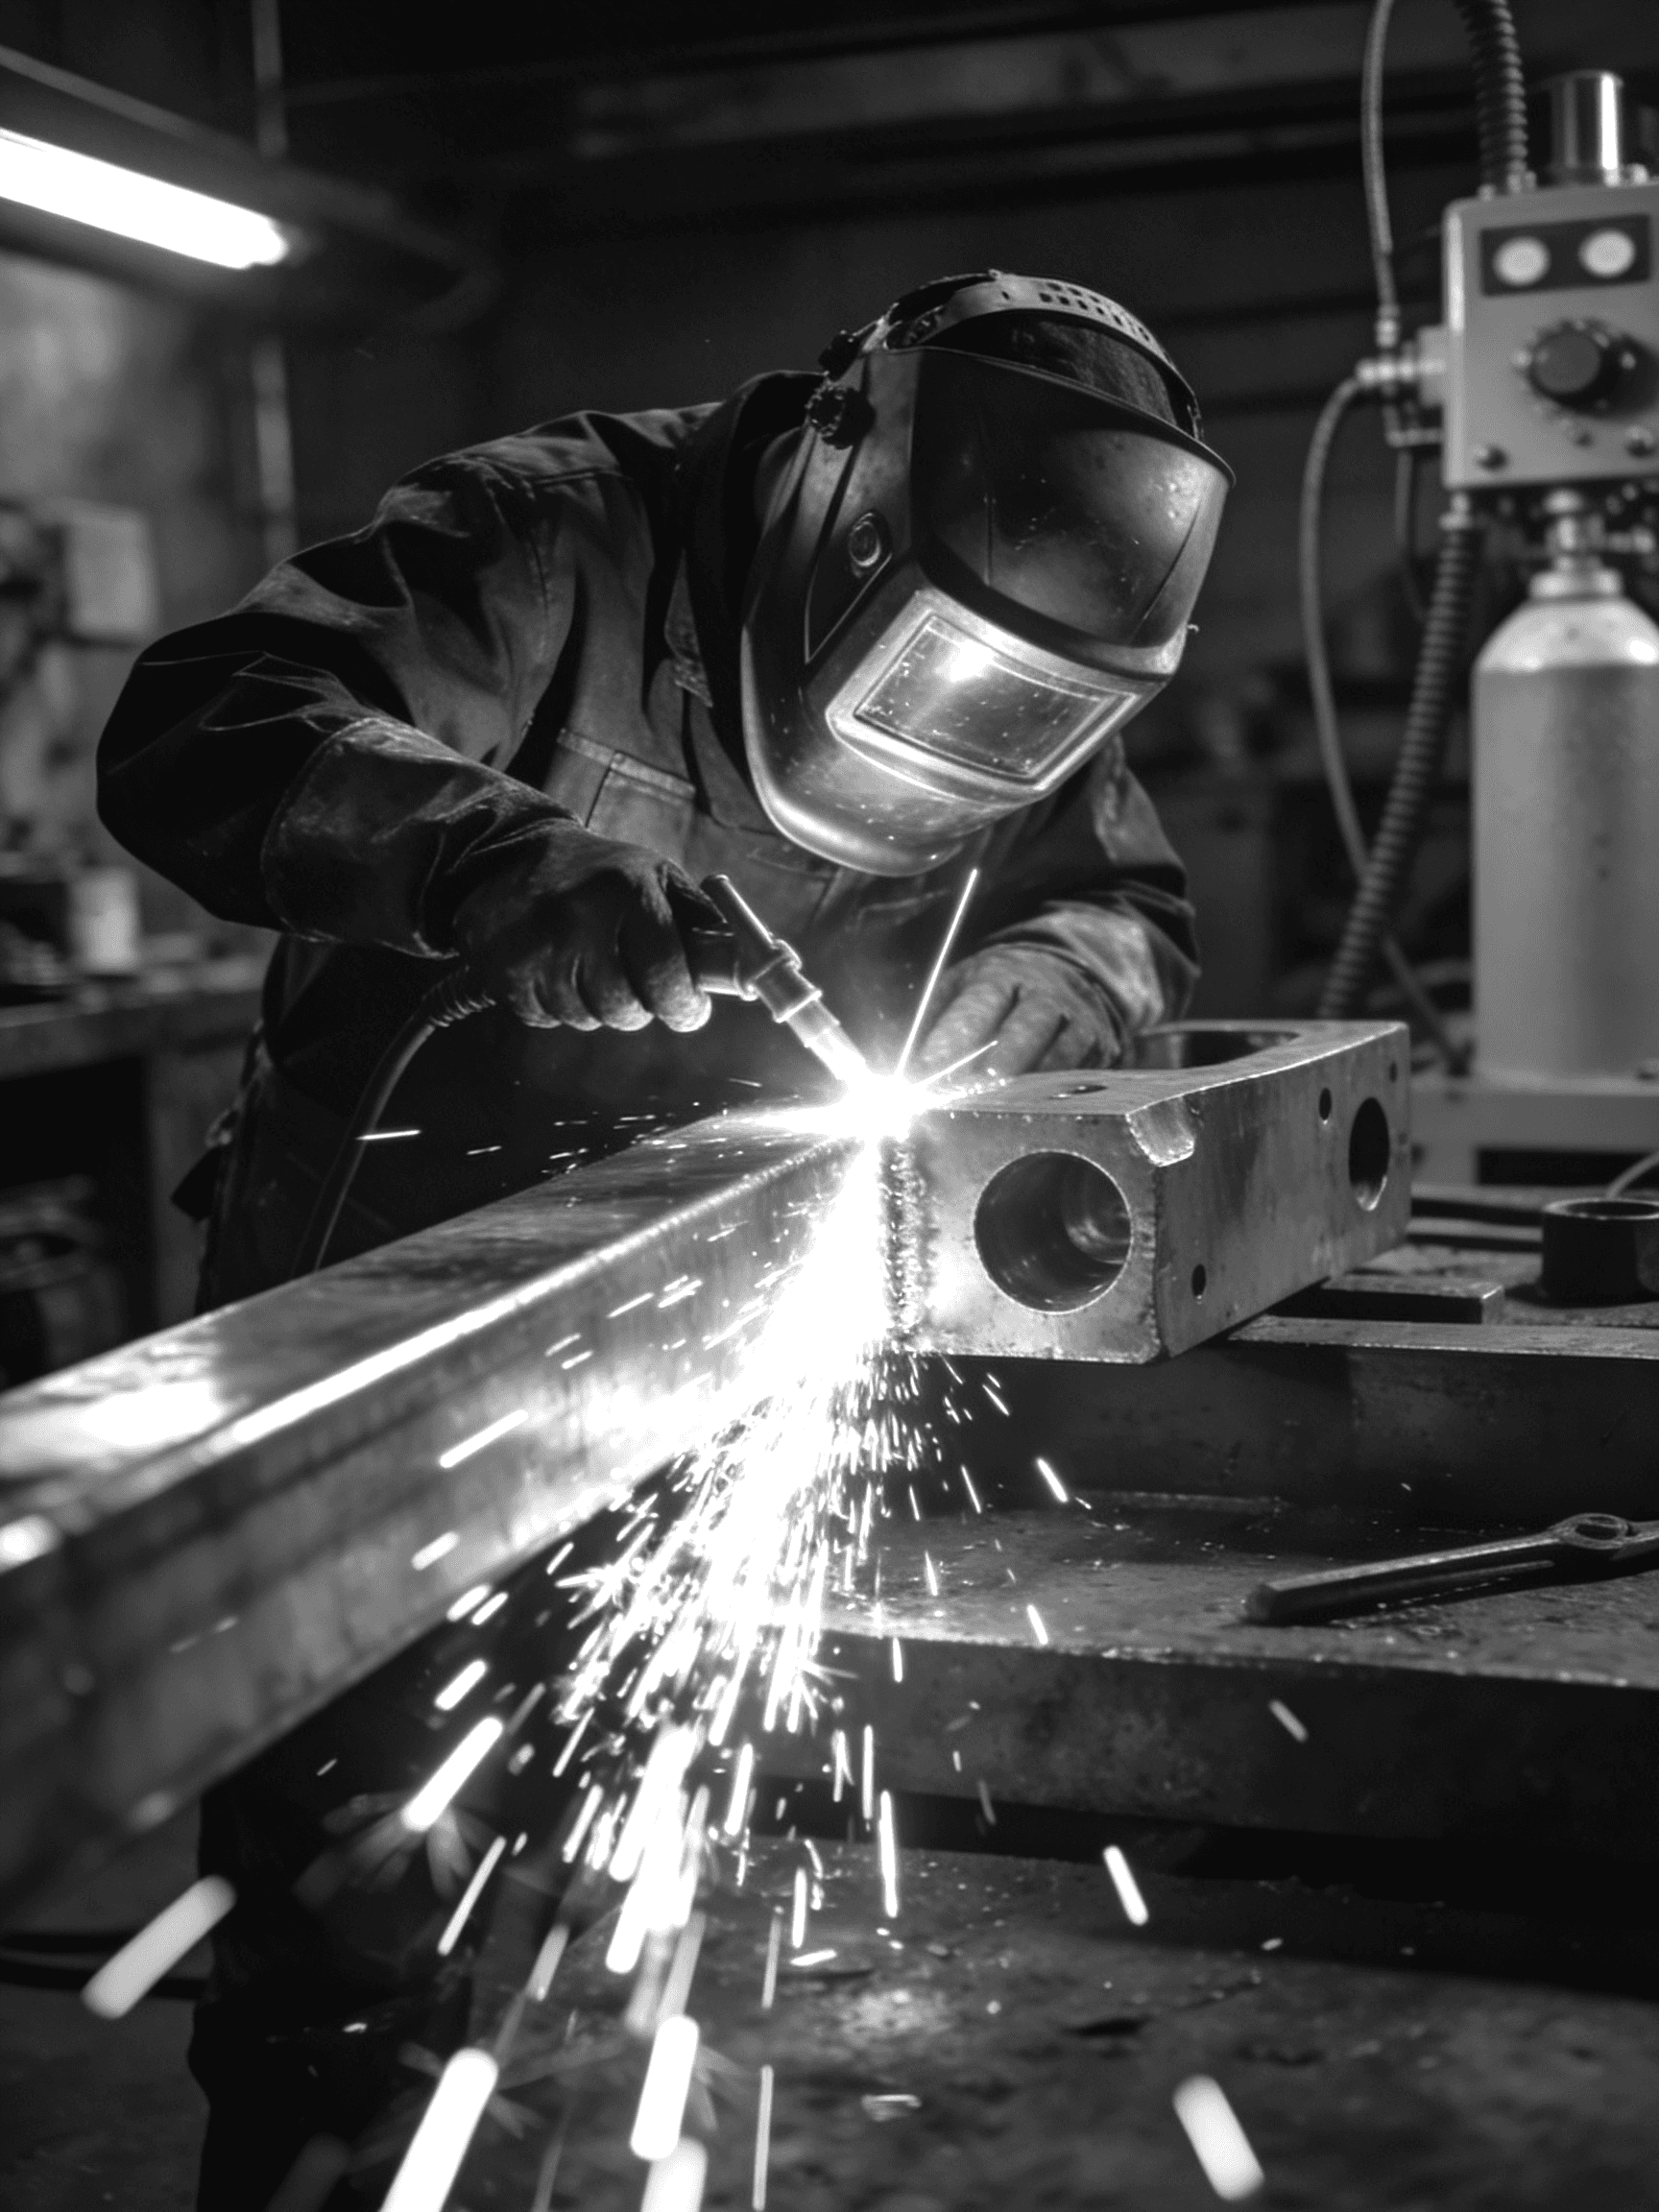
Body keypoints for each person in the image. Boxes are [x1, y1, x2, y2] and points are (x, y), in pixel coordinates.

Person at [96, 269, 1231, 2206]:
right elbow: (202, 723)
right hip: (395, 1339)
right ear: (827, 482)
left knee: (664, 1874)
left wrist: (1052, 978)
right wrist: (490, 859)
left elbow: (1122, 905)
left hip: (733, 1329)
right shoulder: (556, 535)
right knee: (363, 1918)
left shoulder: (1042, 649)